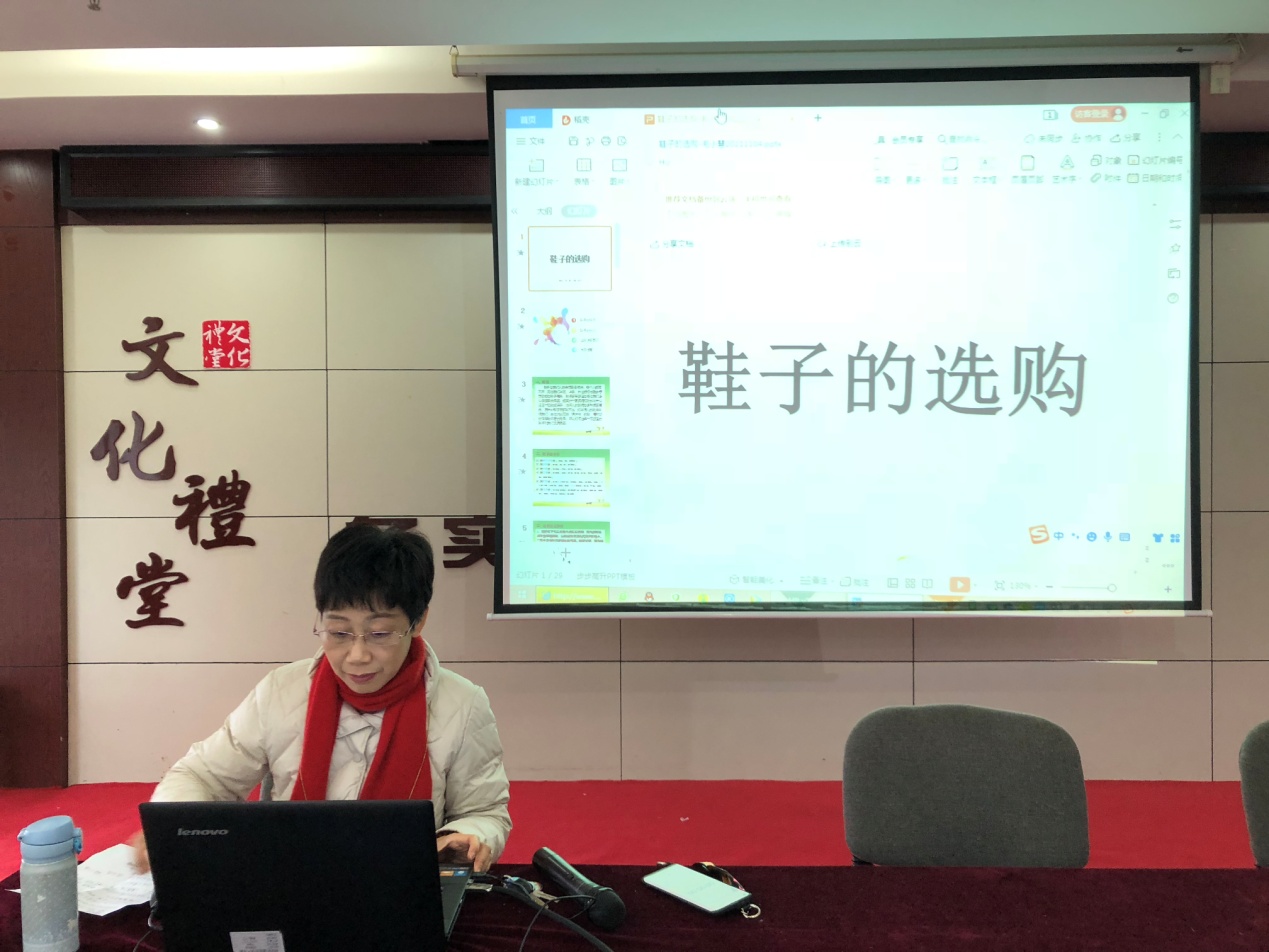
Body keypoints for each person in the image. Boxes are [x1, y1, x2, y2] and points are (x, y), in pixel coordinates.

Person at [130, 523, 511, 873]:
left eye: (380, 634)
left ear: (418, 621)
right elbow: (202, 775)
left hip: (406, 883)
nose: (357, 656)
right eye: (338, 632)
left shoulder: (462, 705)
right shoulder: (282, 691)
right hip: (287, 880)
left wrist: (467, 837)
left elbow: (485, 811)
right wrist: (171, 824)